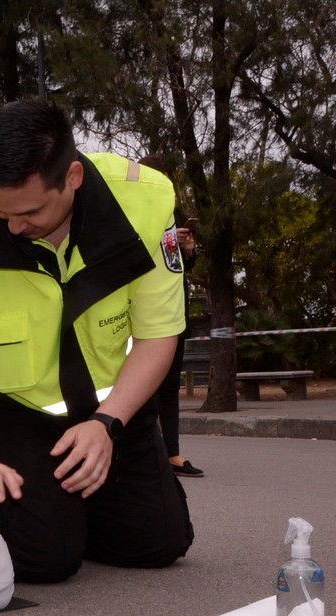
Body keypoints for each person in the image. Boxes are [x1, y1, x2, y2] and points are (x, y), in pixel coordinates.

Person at [0, 99, 194, 583]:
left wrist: (107, 425)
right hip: (9, 412)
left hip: (111, 413)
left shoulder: (146, 203)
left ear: (72, 177)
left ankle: (64, 513)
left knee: (161, 543)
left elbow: (159, 334)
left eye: (28, 212)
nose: (12, 227)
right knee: (46, 560)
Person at [139, 155, 203, 478]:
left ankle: (173, 454)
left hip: (174, 314)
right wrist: (163, 240)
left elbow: (179, 266)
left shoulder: (173, 213)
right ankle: (144, 453)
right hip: (140, 318)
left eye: (166, 178)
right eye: (156, 176)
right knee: (141, 387)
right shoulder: (132, 211)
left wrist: (187, 248)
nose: (162, 183)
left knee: (169, 388)